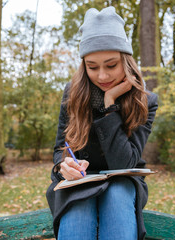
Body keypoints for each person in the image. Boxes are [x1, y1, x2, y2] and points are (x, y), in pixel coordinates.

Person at [46, 6, 158, 240]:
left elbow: (124, 163)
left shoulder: (145, 101)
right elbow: (60, 148)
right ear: (83, 64)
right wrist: (63, 166)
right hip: (78, 181)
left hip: (123, 181)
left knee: (117, 196)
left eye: (111, 65)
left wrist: (110, 105)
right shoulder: (73, 93)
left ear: (126, 61)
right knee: (79, 208)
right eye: (92, 67)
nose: (103, 76)